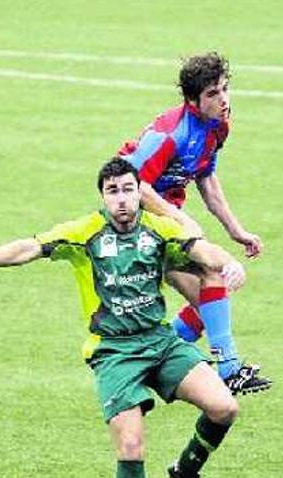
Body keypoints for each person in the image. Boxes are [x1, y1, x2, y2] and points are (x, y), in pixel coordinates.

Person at [0, 158, 246, 478]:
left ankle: (185, 470)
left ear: (139, 194)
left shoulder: (159, 229)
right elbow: (31, 246)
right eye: (112, 191)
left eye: (128, 190)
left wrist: (230, 262)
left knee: (225, 408)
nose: (121, 198)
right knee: (131, 448)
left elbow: (202, 250)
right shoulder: (86, 232)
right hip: (114, 353)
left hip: (162, 342)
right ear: (104, 197)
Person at [117, 51, 271, 394]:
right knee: (213, 278)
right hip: (133, 218)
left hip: (163, 217)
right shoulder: (170, 133)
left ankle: (148, 366)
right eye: (213, 94)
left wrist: (237, 231)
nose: (224, 100)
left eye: (225, 89)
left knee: (212, 297)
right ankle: (229, 369)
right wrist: (180, 220)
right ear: (192, 100)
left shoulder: (218, 126)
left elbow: (207, 180)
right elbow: (131, 184)